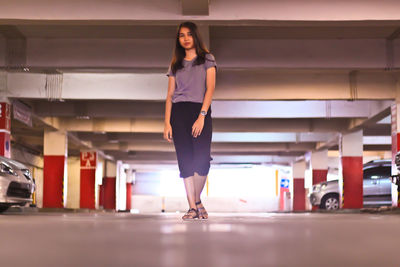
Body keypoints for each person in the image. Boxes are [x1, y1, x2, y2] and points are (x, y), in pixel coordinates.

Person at [164, 21, 217, 220]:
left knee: (202, 161)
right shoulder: (175, 64)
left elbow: (210, 89)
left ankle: (196, 201)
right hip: (178, 113)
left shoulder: (207, 59)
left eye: (188, 34)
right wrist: (167, 122)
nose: (185, 39)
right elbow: (169, 95)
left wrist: (201, 116)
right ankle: (193, 207)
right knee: (185, 161)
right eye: (181, 35)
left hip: (199, 111)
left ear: (195, 36)